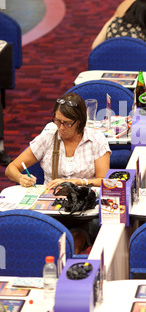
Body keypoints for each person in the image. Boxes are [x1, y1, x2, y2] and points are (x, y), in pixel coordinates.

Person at [5, 93, 111, 253]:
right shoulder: (48, 137)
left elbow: (103, 181)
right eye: (57, 121)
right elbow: (10, 168)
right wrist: (21, 177)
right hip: (49, 212)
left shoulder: (96, 139)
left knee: (70, 246)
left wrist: (77, 182)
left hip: (82, 213)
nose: (60, 127)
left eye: (66, 123)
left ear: (80, 122)